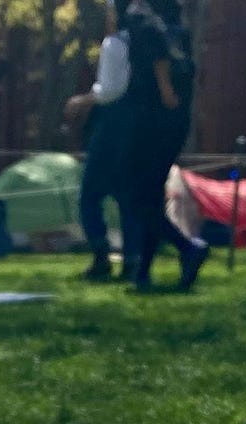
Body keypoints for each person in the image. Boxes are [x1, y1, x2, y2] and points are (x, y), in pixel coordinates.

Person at [122, 0, 206, 292]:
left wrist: (164, 87)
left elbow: (158, 56)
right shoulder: (176, 26)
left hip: (151, 119)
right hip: (175, 123)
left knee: (133, 197)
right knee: (152, 198)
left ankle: (188, 247)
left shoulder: (139, 16)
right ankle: (143, 273)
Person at [65, 0, 134, 282]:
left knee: (90, 195)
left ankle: (101, 256)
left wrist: (84, 100)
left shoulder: (114, 44)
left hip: (111, 126)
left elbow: (110, 91)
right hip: (134, 127)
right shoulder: (139, 43)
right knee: (125, 195)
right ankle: (132, 258)